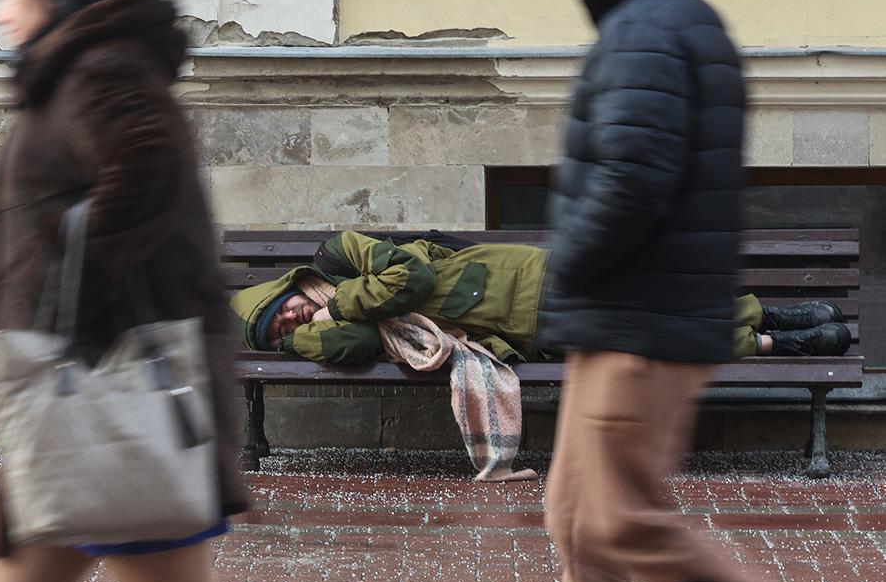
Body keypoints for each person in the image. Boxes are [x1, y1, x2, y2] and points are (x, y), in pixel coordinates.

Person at [0, 0, 248, 582]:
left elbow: (148, 165)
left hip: (118, 384)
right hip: (92, 389)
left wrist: (76, 276)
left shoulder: (96, 68)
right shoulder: (78, 66)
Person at [541, 0, 765, 582]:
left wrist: (565, 266)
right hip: (624, 318)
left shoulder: (645, 29)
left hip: (640, 321)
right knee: (577, 522)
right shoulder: (676, 18)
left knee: (619, 524)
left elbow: (635, 178)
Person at [229, 230, 850, 364]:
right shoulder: (329, 319)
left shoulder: (338, 253)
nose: (289, 323)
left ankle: (768, 312)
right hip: (533, 333)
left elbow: (412, 282)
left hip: (530, 279)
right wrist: (322, 323)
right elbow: (355, 341)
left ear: (277, 292)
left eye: (278, 316)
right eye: (281, 336)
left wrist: (337, 299)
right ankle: (774, 340)